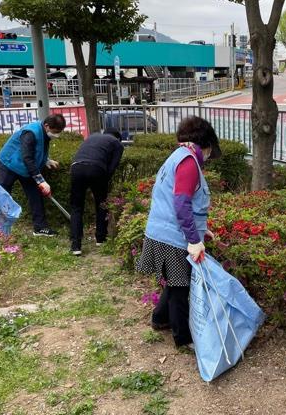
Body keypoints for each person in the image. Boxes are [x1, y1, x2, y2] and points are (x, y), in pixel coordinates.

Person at [136, 116, 221, 349]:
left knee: (175, 282)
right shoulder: (189, 162)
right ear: (207, 143)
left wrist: (203, 231)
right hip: (170, 236)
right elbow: (181, 203)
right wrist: (194, 240)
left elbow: (188, 204)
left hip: (162, 232)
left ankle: (159, 318)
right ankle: (182, 339)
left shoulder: (179, 156)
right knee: (180, 289)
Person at [0, 114, 66, 236]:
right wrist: (41, 181)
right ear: (47, 126)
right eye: (55, 132)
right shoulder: (31, 133)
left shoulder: (44, 133)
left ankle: (40, 227)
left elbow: (37, 150)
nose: (57, 135)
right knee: (3, 195)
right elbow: (27, 158)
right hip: (9, 164)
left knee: (35, 195)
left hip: (25, 168)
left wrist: (46, 160)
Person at [69, 128, 124, 255]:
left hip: (76, 167)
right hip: (97, 168)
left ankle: (76, 245)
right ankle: (101, 238)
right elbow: (112, 167)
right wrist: (102, 184)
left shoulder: (92, 136)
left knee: (76, 207)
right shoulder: (117, 144)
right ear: (118, 138)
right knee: (101, 204)